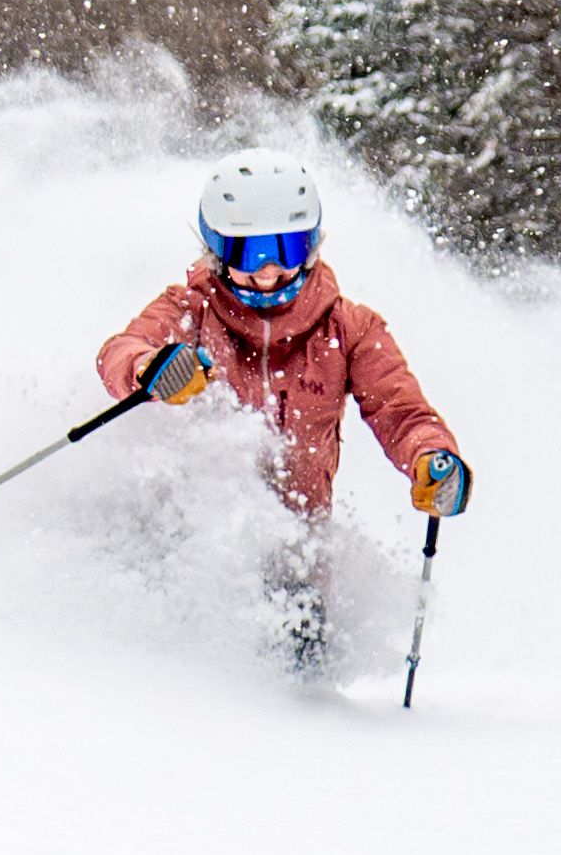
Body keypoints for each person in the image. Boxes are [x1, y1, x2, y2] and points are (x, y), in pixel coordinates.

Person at [92, 156, 472, 657]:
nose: (270, 270)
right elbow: (119, 352)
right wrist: (151, 367)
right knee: (177, 676)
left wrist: (431, 459)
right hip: (192, 544)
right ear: (216, 250)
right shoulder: (191, 309)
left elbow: (401, 411)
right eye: (250, 252)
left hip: (295, 559)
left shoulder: (350, 328)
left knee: (295, 695)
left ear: (312, 246)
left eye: (286, 248)